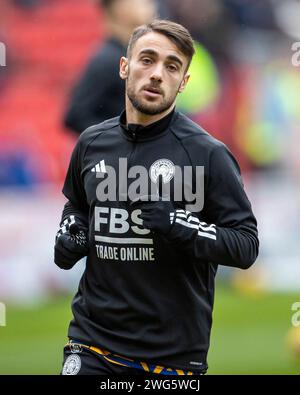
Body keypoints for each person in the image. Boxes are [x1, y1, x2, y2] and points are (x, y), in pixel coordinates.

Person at [55, 19, 259, 375]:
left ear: (183, 83)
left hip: (171, 361)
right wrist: (70, 232)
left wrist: (179, 223)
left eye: (172, 66)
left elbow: (245, 245)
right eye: (146, 60)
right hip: (92, 345)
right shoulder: (90, 143)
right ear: (124, 67)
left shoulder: (208, 154)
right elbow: (76, 206)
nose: (157, 74)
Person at [64, 0, 157, 135]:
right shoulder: (108, 59)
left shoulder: (132, 55)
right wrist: (119, 139)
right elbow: (75, 116)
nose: (150, 5)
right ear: (120, 7)